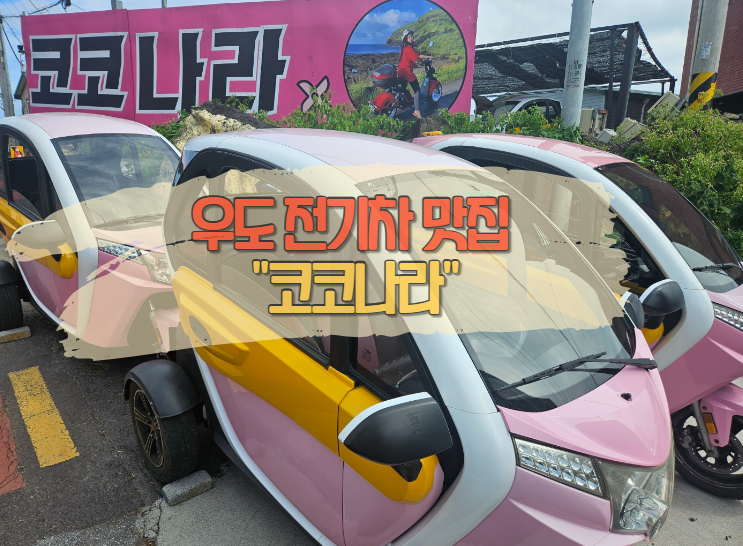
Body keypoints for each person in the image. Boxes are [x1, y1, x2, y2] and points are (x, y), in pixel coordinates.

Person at [398, 29, 433, 119]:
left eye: (411, 36)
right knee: (417, 90)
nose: (411, 38)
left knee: (403, 88)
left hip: (401, 71)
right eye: (408, 37)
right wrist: (428, 57)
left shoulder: (404, 47)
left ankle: (403, 103)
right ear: (405, 39)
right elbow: (417, 56)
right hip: (407, 72)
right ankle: (417, 111)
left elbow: (411, 56)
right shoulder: (409, 48)